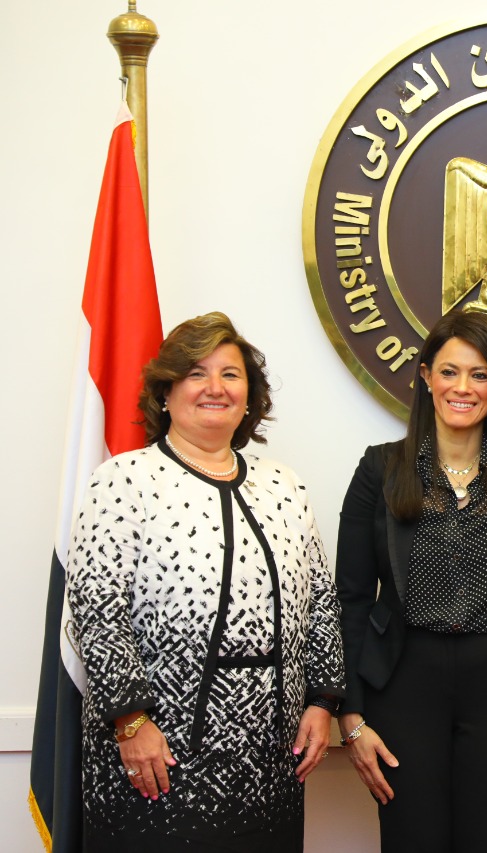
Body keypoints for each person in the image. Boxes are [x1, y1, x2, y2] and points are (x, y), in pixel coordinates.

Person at [66, 312, 345, 852]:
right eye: (196, 373)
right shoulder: (124, 480)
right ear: (166, 392)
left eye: (230, 374)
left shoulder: (283, 486)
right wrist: (130, 722)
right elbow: (97, 610)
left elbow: (321, 601)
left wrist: (321, 701)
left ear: (249, 396)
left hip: (270, 762)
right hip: (156, 756)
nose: (215, 387)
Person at [335, 309, 487, 852]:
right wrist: (352, 716)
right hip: (403, 683)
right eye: (450, 371)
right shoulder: (380, 470)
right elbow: (351, 599)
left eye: (480, 375)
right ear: (426, 376)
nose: (463, 388)